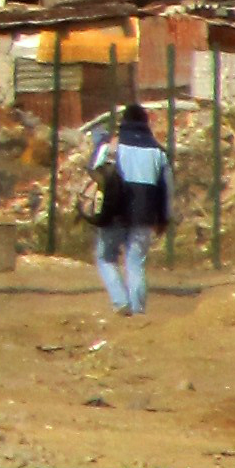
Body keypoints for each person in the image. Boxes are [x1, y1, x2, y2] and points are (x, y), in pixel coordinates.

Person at [85, 96, 171, 316]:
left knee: (106, 257)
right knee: (135, 263)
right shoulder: (159, 153)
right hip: (144, 215)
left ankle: (120, 301)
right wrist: (163, 219)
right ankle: (138, 311)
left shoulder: (112, 146)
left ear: (123, 122)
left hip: (114, 213)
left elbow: (95, 172)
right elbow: (166, 190)